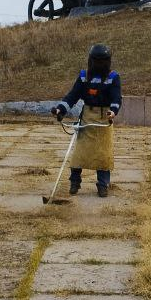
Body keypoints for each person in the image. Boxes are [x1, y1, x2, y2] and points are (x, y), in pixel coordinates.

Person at [52, 44, 122, 197]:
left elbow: (117, 98)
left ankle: (103, 185)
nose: (99, 65)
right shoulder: (84, 76)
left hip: (104, 119)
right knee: (78, 154)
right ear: (91, 61)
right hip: (86, 118)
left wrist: (113, 111)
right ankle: (74, 182)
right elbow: (72, 96)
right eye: (96, 61)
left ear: (107, 62)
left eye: (102, 61)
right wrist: (60, 109)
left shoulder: (113, 78)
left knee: (103, 155)